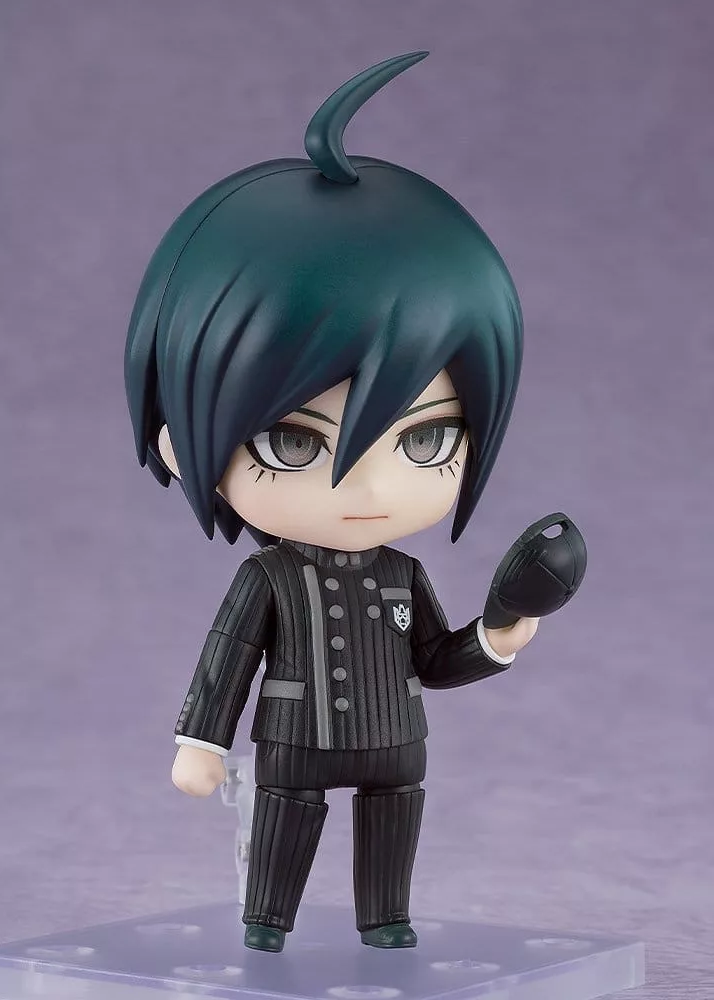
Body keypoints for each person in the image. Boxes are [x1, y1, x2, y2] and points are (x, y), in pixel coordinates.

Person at [124, 51, 537, 953]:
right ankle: (266, 921)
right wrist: (201, 742)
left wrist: (499, 636)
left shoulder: (403, 570)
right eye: (294, 444)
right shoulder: (269, 577)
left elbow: (433, 658)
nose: (370, 488)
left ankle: (385, 917)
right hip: (294, 741)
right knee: (286, 821)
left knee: (394, 823)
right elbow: (229, 656)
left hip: (396, 740)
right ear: (179, 443)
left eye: (425, 440)